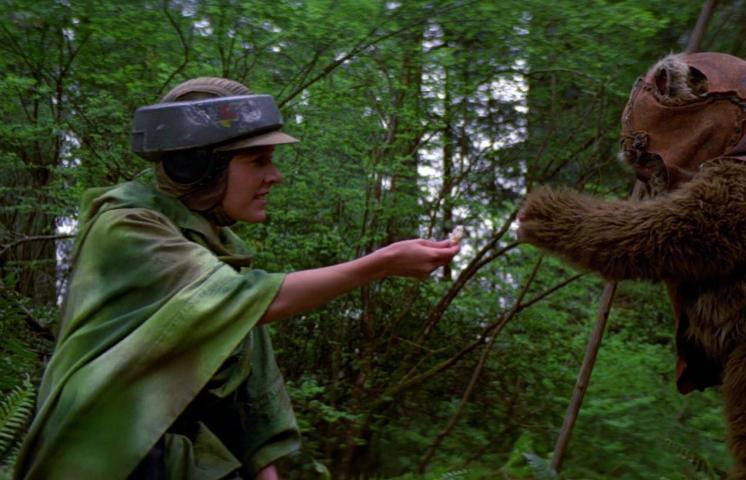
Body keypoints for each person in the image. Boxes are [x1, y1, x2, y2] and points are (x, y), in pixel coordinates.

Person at [15, 77, 460, 479]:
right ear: (199, 165)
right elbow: (254, 300)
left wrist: (265, 470)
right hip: (104, 457)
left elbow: (247, 373)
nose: (275, 175)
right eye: (259, 160)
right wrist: (380, 264)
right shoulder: (129, 230)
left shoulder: (216, 247)